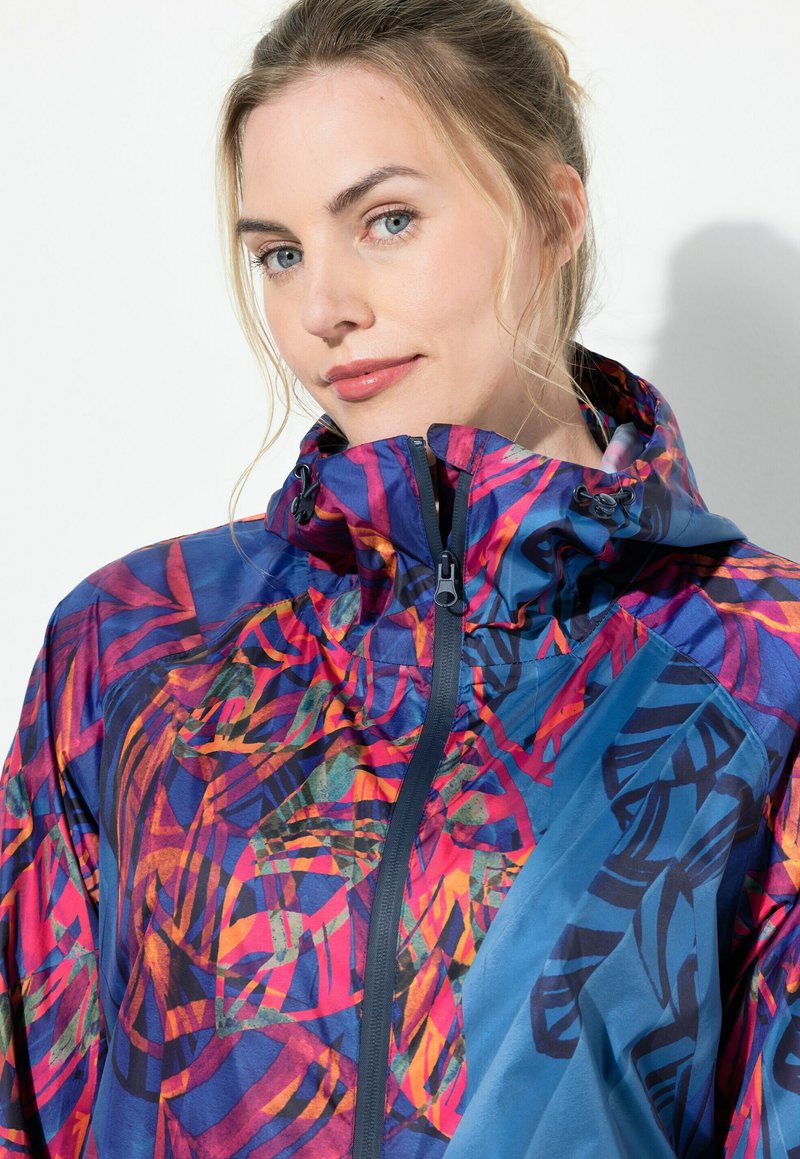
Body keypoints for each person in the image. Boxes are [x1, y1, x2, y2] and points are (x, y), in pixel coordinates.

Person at [2, 0, 799, 1155]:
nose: (323, 308)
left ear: (551, 215)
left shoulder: (758, 663)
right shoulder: (130, 648)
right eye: (279, 254)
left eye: (386, 220)